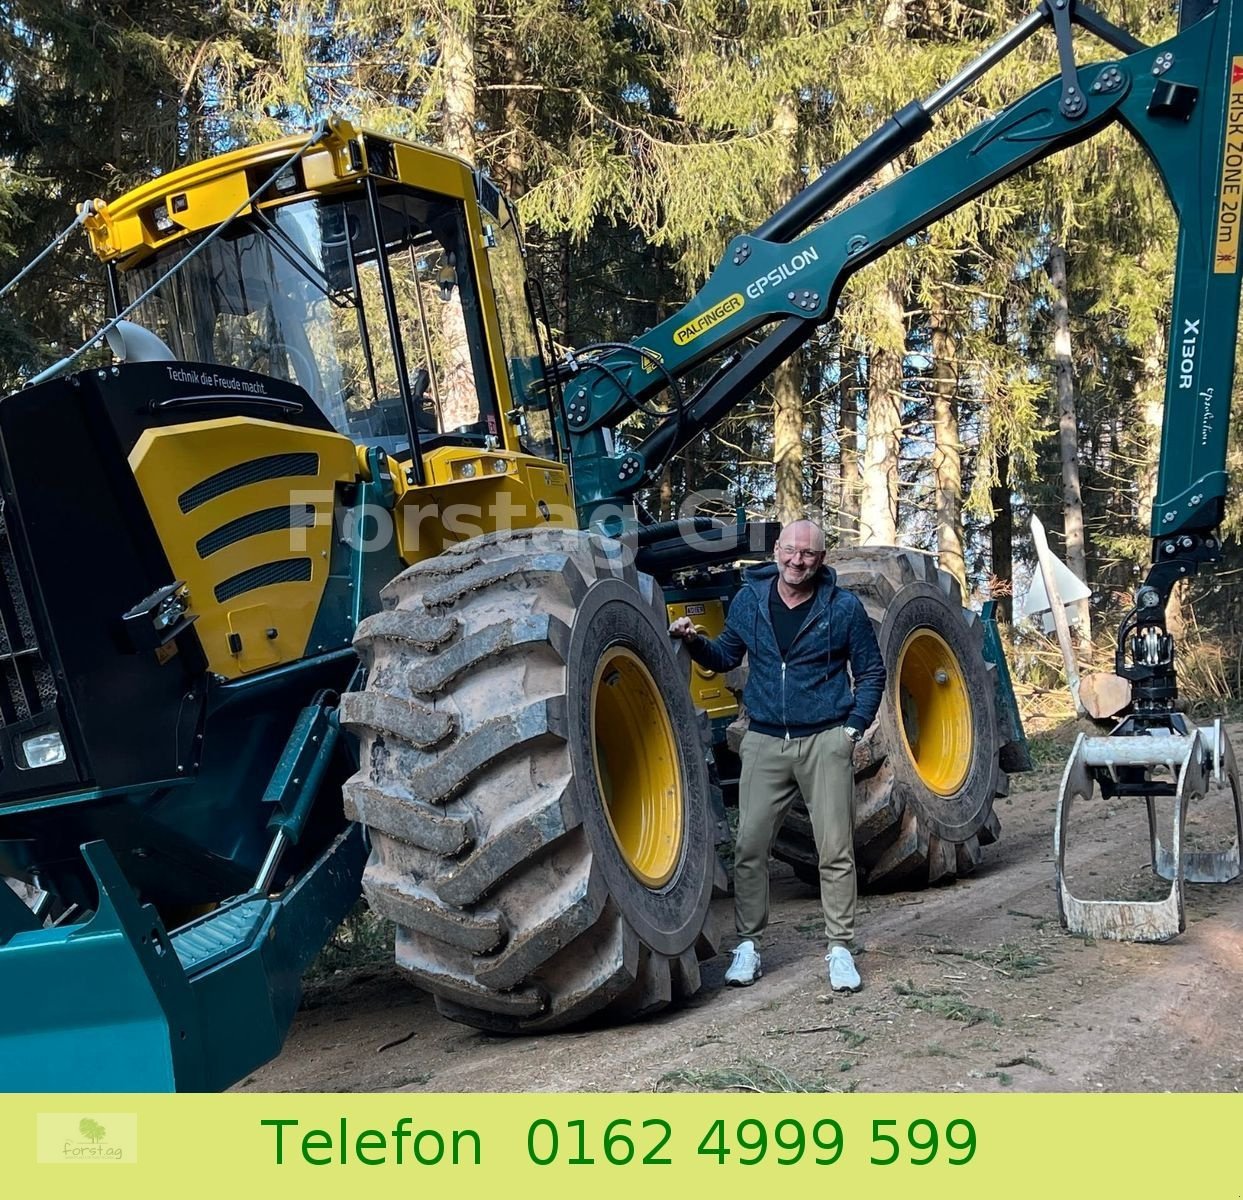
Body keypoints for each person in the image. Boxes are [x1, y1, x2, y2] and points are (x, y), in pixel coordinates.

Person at [668, 519, 886, 992]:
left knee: (835, 849)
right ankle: (748, 945)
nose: (797, 560)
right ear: (777, 552)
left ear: (821, 559)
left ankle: (841, 948)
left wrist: (851, 731)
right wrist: (693, 641)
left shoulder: (842, 608)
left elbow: (871, 673)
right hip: (765, 741)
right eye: (790, 550)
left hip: (825, 740)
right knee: (749, 847)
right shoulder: (750, 601)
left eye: (807, 554)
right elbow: (726, 655)